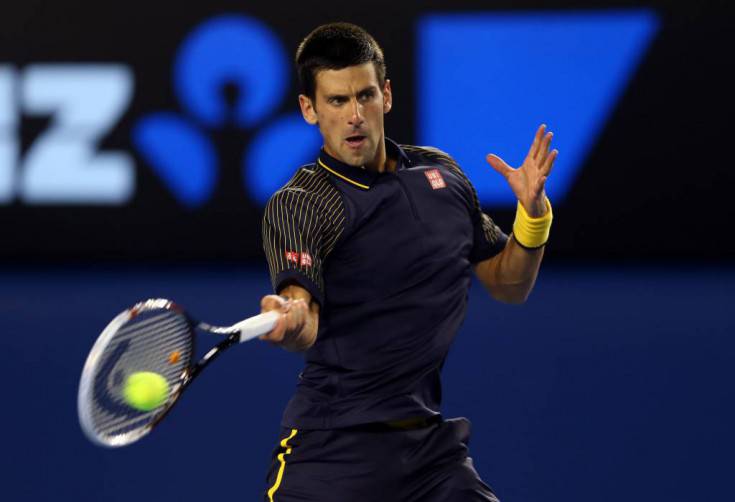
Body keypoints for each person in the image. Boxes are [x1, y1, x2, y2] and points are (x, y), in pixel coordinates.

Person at [258, 22, 556, 502]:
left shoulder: (441, 175)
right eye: (337, 101)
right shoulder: (301, 203)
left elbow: (508, 283)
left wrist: (533, 216)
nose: (355, 116)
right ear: (309, 109)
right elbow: (304, 316)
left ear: (387, 95)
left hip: (430, 455)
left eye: (365, 96)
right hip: (332, 453)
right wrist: (290, 317)